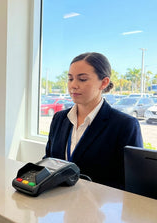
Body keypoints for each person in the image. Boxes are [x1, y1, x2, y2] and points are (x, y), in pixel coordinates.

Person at [44, 52, 143, 190]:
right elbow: (48, 160)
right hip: (58, 205)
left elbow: (131, 183)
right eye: (70, 79)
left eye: (82, 79)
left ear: (104, 82)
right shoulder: (59, 118)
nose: (73, 85)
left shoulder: (124, 125)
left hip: (99, 208)